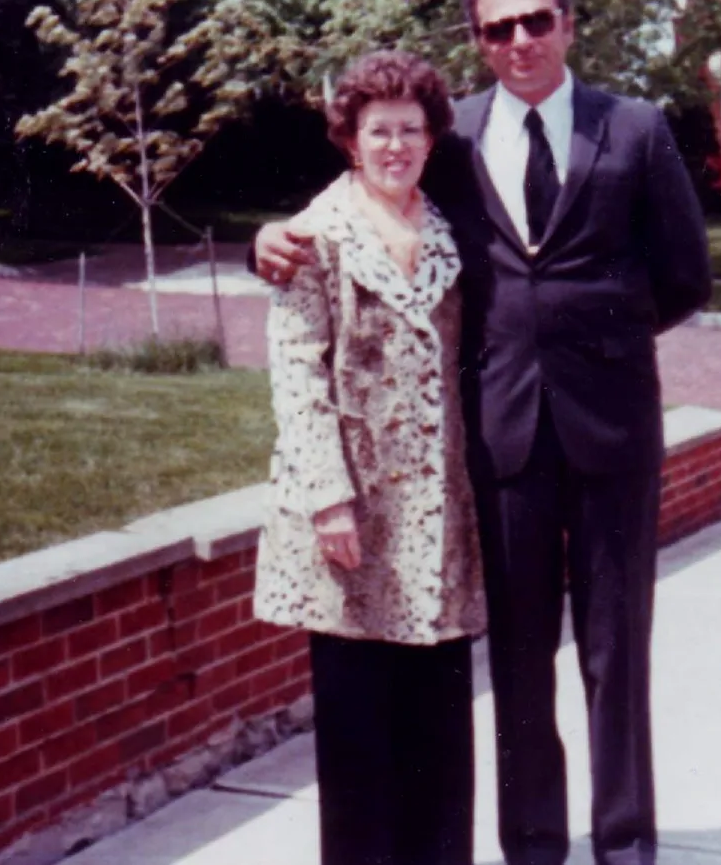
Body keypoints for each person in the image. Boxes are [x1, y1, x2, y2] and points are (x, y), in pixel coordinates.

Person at [255, 0, 711, 865]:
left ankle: (624, 843)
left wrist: (597, 347)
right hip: (499, 440)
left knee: (616, 656)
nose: (519, 41)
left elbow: (686, 275)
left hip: (613, 429)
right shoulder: (446, 135)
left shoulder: (632, 128)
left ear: (567, 24)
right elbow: (355, 208)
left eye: (535, 20)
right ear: (478, 39)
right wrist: (265, 242)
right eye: (497, 27)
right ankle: (533, 845)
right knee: (516, 662)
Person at [252, 50, 486, 865]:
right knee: (360, 743)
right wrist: (328, 500)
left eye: (409, 131)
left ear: (430, 140)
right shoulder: (314, 237)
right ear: (350, 139)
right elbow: (296, 377)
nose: (394, 146)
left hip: (435, 520)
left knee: (439, 729)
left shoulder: (449, 227)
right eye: (377, 131)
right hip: (350, 521)